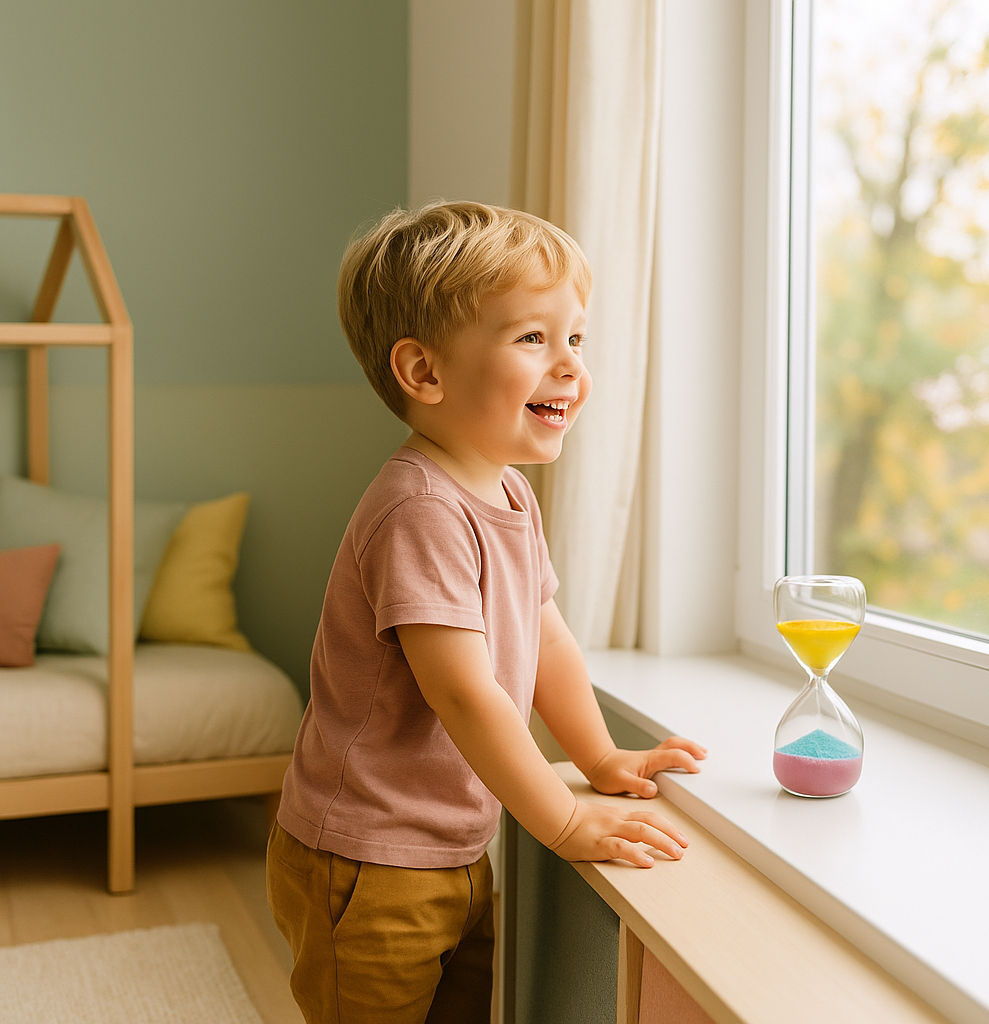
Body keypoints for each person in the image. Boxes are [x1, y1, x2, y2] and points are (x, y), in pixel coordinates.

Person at [266, 201, 707, 1024]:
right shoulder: (419, 508)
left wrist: (600, 756)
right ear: (424, 373)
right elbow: (465, 693)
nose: (571, 365)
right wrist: (565, 816)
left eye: (575, 337)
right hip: (365, 857)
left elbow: (544, 637)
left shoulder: (506, 491)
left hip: (452, 844)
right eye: (533, 339)